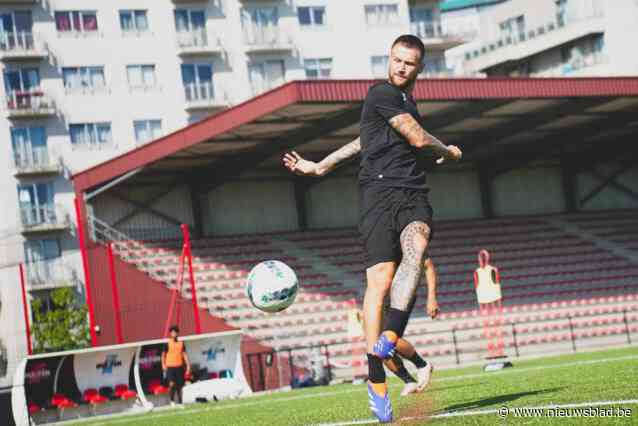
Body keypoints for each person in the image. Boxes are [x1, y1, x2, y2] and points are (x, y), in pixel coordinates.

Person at [284, 34, 461, 422]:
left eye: (409, 63)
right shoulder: (381, 92)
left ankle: (392, 335)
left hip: (411, 190)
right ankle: (376, 380)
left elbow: (364, 140)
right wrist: (445, 149)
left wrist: (323, 164)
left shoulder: (403, 101)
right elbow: (415, 135)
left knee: (418, 242)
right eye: (396, 60)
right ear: (389, 59)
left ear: (420, 68)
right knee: (379, 280)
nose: (401, 67)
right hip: (377, 194)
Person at [161, 325, 191, 407]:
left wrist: (188, 366)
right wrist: (163, 365)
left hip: (179, 366)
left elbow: (184, 355)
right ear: (170, 333)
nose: (173, 333)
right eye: (172, 332)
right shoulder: (167, 343)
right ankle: (172, 401)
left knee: (180, 385)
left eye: (175, 332)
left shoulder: (181, 343)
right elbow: (163, 355)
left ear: (177, 333)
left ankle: (181, 402)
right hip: (170, 367)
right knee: (171, 384)